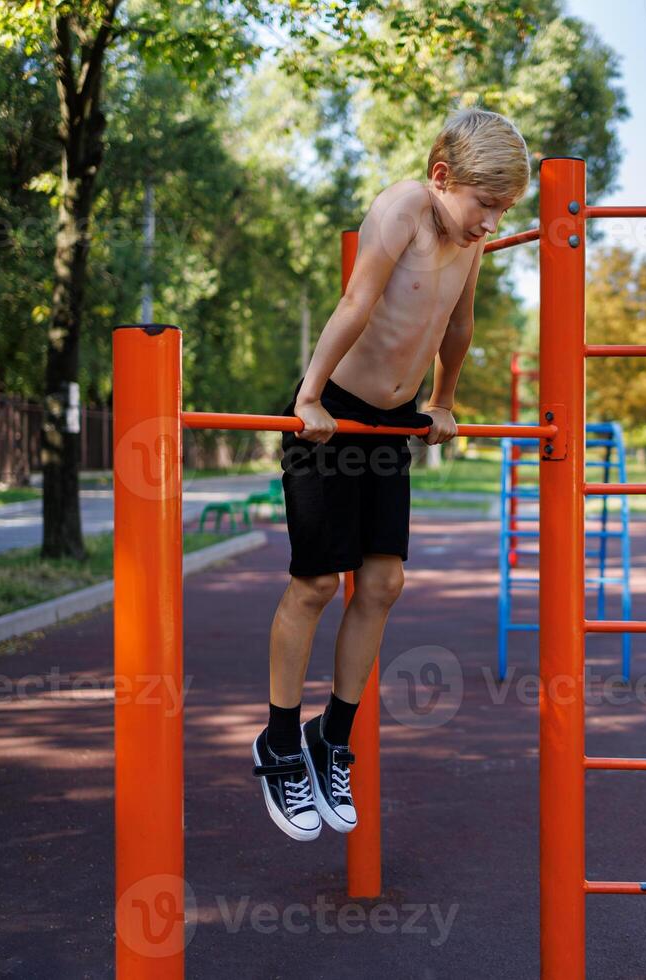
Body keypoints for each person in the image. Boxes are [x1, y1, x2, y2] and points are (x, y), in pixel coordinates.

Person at [253, 107, 530, 840]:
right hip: (335, 412)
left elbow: (457, 324)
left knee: (384, 582)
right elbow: (357, 302)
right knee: (315, 582)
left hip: (389, 424)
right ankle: (280, 743)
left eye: (503, 213)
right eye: (485, 207)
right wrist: (310, 395)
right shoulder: (404, 207)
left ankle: (330, 740)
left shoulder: (469, 241)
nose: (491, 225)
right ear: (442, 178)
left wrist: (442, 400)